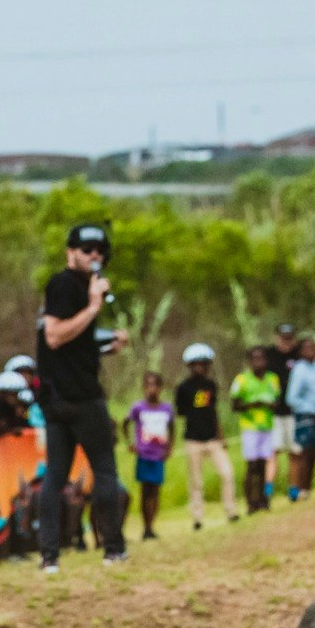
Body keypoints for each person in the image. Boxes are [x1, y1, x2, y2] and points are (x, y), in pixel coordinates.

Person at [34, 222, 128, 570]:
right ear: (70, 252)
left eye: (99, 251)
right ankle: (112, 549)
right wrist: (92, 307)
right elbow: (55, 336)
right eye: (87, 250)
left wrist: (106, 345)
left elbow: (70, 351)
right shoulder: (63, 285)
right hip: (77, 399)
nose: (94, 256)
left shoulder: (84, 286)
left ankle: (51, 557)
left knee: (58, 475)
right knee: (101, 472)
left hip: (65, 395)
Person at [174, 343, 237, 529]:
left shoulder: (211, 386)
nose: (200, 367)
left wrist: (221, 436)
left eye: (203, 363)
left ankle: (231, 511)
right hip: (193, 440)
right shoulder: (183, 388)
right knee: (196, 481)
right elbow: (181, 412)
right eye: (196, 363)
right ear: (190, 365)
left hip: (212, 439)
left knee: (227, 473)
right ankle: (197, 518)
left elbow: (213, 411)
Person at [121, 372, 175, 541]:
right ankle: (146, 527)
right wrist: (130, 443)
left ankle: (151, 525)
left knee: (156, 491)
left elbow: (172, 428)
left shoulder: (166, 409)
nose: (152, 389)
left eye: (155, 385)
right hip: (144, 455)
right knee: (145, 491)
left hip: (159, 455)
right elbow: (125, 422)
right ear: (144, 388)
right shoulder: (138, 408)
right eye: (148, 385)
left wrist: (169, 447)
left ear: (160, 388)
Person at [230, 346, 281, 512]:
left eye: (261, 358)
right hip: (250, 428)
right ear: (249, 362)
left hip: (267, 426)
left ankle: (263, 500)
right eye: (255, 359)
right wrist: (252, 404)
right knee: (251, 466)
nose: (258, 362)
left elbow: (277, 401)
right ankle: (250, 503)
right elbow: (234, 405)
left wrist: (270, 405)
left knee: (263, 465)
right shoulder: (241, 380)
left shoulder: (272, 379)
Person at [284, 336, 315, 501]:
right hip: (305, 416)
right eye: (307, 348)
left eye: (313, 347)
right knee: (304, 452)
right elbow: (292, 399)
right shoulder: (299, 369)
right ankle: (299, 489)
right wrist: (312, 410)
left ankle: (308, 488)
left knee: (314, 452)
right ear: (301, 352)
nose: (311, 351)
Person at [264, 322, 300, 467]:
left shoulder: (299, 355)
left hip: (294, 411)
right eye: (283, 338)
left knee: (295, 450)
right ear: (277, 337)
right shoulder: (268, 355)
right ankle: (268, 488)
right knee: (273, 451)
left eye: (289, 338)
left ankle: (295, 488)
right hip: (274, 413)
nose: (286, 341)